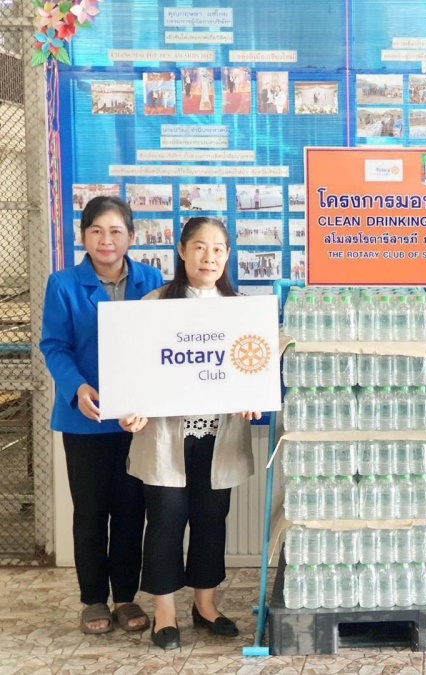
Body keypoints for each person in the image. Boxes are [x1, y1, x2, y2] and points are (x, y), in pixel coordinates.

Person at [120, 217, 261, 651]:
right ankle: (165, 612)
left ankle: (206, 605)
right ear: (182, 251)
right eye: (199, 247)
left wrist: (254, 395)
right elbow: (133, 369)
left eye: (218, 249)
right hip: (165, 436)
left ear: (228, 255)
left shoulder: (242, 310)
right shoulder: (154, 305)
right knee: (165, 519)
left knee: (211, 518)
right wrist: (129, 408)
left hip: (219, 434)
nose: (209, 257)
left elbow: (253, 365)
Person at [40, 196, 164, 635]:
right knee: (91, 511)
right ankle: (93, 598)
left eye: (115, 231)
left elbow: (161, 344)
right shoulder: (62, 284)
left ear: (131, 236)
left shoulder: (151, 280)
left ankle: (126, 597)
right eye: (96, 231)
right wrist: (78, 388)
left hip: (137, 421)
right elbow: (54, 346)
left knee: (131, 510)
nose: (105, 240)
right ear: (83, 236)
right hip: (85, 419)